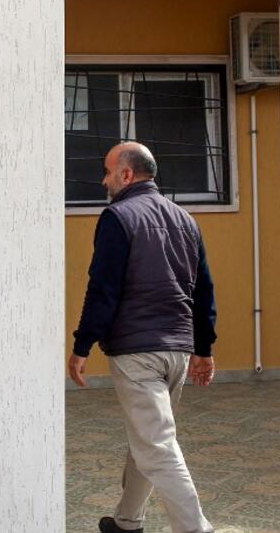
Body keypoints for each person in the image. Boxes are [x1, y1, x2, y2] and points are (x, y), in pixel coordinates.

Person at [68, 142, 218, 533]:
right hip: (178, 352)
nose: (104, 181)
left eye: (107, 172)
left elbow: (103, 288)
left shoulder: (118, 217)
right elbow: (204, 289)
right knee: (149, 438)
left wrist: (82, 345)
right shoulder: (185, 219)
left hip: (137, 352)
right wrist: (203, 349)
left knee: (156, 445)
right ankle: (127, 522)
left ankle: (196, 529)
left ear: (127, 174)